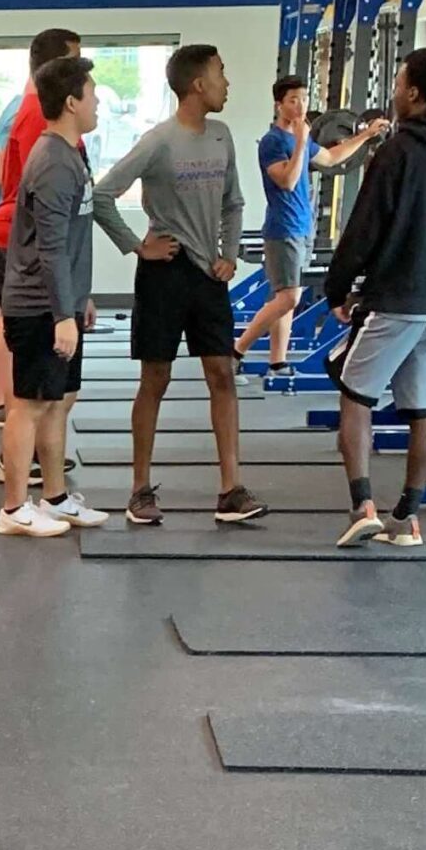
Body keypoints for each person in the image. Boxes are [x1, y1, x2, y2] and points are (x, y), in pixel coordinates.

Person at [93, 42, 265, 526]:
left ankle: (230, 490)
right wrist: (137, 246)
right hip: (164, 272)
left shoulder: (222, 136)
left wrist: (229, 254)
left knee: (222, 374)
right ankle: (139, 489)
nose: (227, 83)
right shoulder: (159, 141)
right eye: (221, 73)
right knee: (156, 379)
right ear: (197, 84)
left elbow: (234, 203)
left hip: (209, 273)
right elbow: (102, 195)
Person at [328, 47, 426, 547]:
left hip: (396, 298)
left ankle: (362, 507)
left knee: (355, 395)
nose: (395, 92)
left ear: (413, 92)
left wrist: (338, 286)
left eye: (398, 83)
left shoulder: (396, 151)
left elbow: (365, 227)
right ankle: (407, 520)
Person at [0, 55, 107, 537]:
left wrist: (79, 299)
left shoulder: (70, 154)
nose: (98, 102)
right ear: (71, 102)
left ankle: (56, 497)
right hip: (38, 305)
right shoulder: (54, 163)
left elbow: (72, 241)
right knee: (30, 403)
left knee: (59, 399)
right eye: (92, 94)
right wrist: (63, 313)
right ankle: (13, 508)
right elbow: (51, 247)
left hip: (61, 301)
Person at [234, 76, 384, 373]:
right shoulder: (273, 141)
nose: (301, 105)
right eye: (293, 100)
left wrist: (366, 136)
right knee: (289, 297)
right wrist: (302, 142)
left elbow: (330, 158)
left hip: (303, 227)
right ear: (278, 105)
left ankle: (277, 362)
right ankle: (236, 351)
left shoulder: (299, 138)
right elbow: (287, 181)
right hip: (283, 228)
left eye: (303, 99)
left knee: (285, 298)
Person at [0, 29, 82, 432]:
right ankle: (1, 407)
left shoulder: (28, 107)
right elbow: (1, 173)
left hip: (11, 230)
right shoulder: (36, 112)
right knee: (15, 327)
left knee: (7, 319)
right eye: (74, 62)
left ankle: (0, 405)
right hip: (15, 235)